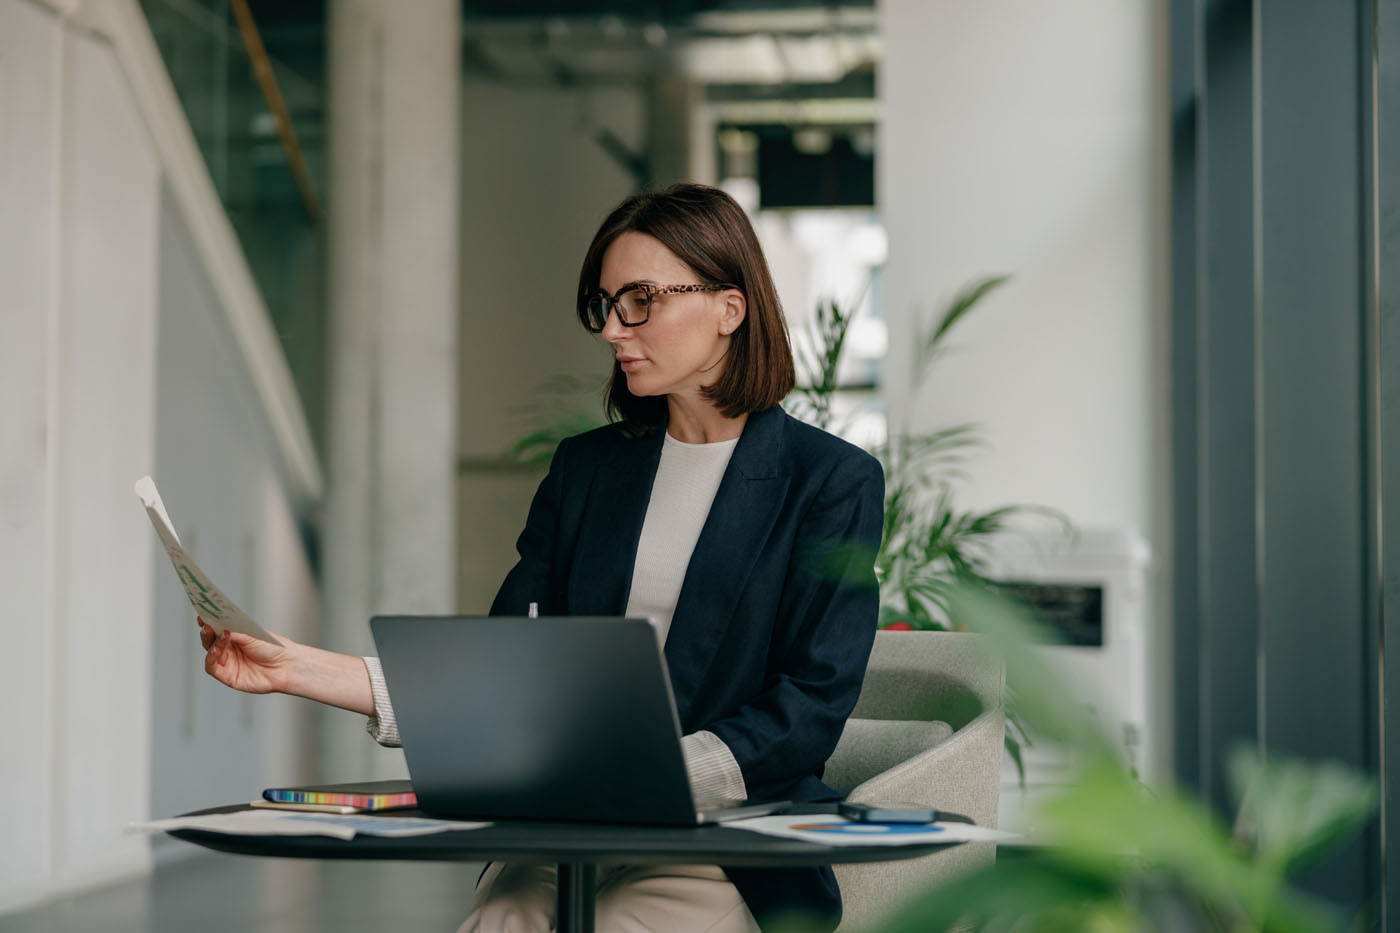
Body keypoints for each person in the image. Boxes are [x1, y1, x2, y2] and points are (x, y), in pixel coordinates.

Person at [198, 182, 884, 932]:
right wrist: (296, 666)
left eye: (641, 300)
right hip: (562, 829)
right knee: (505, 922)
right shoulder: (588, 470)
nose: (613, 329)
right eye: (604, 305)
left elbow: (808, 707)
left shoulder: (829, 482)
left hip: (724, 839)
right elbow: (504, 675)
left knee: (623, 923)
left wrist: (636, 779)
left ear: (730, 307)